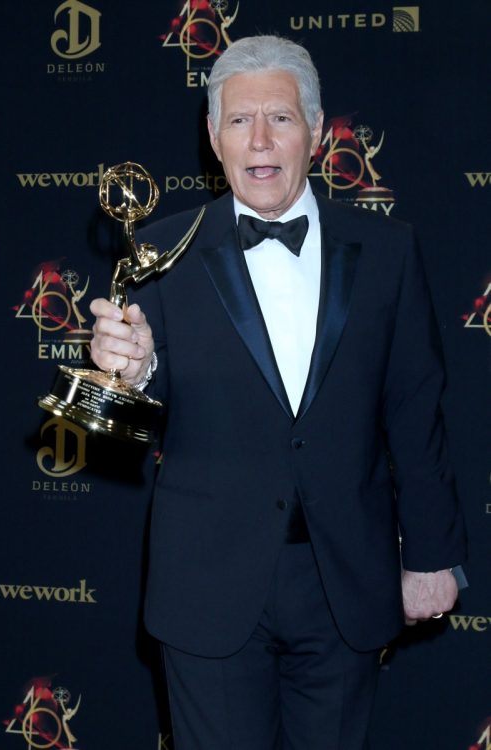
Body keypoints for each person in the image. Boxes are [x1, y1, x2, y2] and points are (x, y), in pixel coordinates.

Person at [90, 35, 466, 750]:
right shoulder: (160, 254)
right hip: (208, 583)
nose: (259, 140)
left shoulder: (389, 251)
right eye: (238, 120)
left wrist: (430, 554)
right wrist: (131, 372)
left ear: (318, 132)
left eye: (281, 119)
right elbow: (143, 390)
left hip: (345, 579)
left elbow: (417, 411)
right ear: (213, 136)